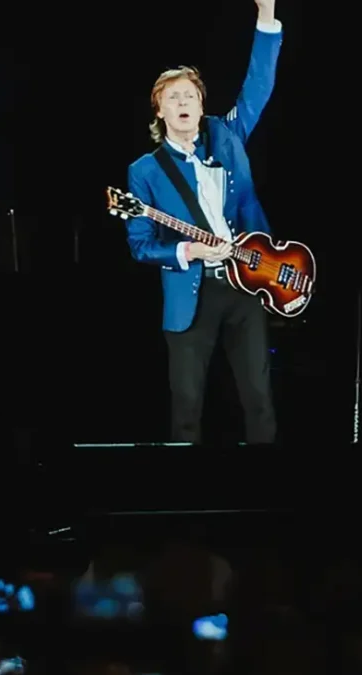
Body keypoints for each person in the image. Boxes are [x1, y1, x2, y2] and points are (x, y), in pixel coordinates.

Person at [124, 0, 282, 444]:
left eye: (190, 95)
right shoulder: (145, 171)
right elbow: (140, 244)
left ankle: (268, 497)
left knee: (259, 399)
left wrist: (266, 16)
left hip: (247, 281)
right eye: (173, 97)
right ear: (160, 111)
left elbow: (258, 87)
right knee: (188, 407)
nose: (183, 102)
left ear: (201, 104)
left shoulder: (227, 138)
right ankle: (182, 500)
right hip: (191, 291)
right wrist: (188, 250)